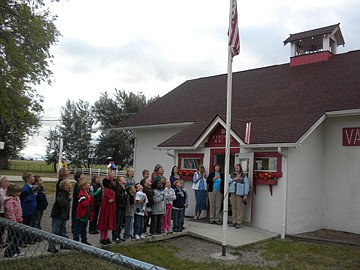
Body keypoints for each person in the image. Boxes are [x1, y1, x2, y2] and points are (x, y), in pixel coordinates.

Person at [49, 179, 72, 253]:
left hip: (63, 215)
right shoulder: (62, 193)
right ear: (65, 186)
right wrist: (68, 200)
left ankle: (63, 244)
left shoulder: (66, 193)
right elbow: (62, 203)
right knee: (55, 230)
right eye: (69, 183)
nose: (71, 184)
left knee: (63, 231)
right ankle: (51, 246)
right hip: (58, 215)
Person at [3, 184, 23, 258]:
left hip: (19, 220)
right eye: (18, 192)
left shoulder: (17, 199)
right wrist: (13, 221)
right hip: (13, 222)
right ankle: (9, 252)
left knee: (17, 237)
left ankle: (16, 250)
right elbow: (10, 212)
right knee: (13, 237)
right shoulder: (9, 201)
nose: (19, 193)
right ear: (13, 192)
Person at [229, 164, 249, 229]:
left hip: (240, 194)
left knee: (239, 209)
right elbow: (227, 181)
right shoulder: (232, 175)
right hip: (232, 193)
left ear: (240, 168)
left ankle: (238, 222)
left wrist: (245, 195)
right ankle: (234, 222)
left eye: (238, 167)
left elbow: (246, 186)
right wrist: (235, 179)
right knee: (233, 208)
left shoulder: (244, 176)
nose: (236, 168)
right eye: (236, 167)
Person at [97, 177, 116, 246]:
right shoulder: (107, 191)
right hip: (106, 209)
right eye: (112, 182)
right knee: (104, 222)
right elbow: (110, 199)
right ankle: (102, 238)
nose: (113, 183)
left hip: (110, 209)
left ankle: (106, 237)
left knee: (107, 222)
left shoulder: (110, 190)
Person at [74, 179, 93, 245]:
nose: (89, 185)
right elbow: (84, 204)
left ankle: (84, 240)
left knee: (84, 228)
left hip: (86, 214)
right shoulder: (81, 194)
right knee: (78, 228)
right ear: (84, 186)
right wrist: (88, 199)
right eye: (88, 184)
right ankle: (76, 241)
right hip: (81, 214)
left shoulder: (88, 193)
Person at [20, 172, 37, 245]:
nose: (33, 178)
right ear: (27, 179)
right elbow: (23, 199)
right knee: (26, 225)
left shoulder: (32, 186)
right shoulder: (25, 189)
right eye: (32, 176)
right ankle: (23, 239)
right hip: (26, 210)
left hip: (32, 209)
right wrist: (33, 195)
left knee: (30, 225)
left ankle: (29, 238)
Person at [112, 176, 127, 243]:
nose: (124, 179)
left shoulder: (123, 188)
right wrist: (125, 196)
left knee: (120, 222)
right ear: (119, 181)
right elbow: (119, 197)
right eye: (122, 179)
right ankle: (115, 236)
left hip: (122, 206)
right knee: (117, 222)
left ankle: (118, 235)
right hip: (119, 206)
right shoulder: (118, 188)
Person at [71, 171, 85, 240]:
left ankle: (79, 233)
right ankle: (75, 234)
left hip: (81, 206)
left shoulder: (82, 185)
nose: (83, 176)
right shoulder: (77, 186)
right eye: (82, 175)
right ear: (78, 178)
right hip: (77, 205)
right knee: (75, 220)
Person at [0, 175, 9, 247]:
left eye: (8, 181)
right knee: (1, 227)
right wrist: (9, 198)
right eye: (5, 181)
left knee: (3, 228)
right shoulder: (1, 191)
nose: (7, 183)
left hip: (5, 211)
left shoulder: (5, 190)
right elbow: (3, 201)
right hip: (1, 211)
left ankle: (2, 241)